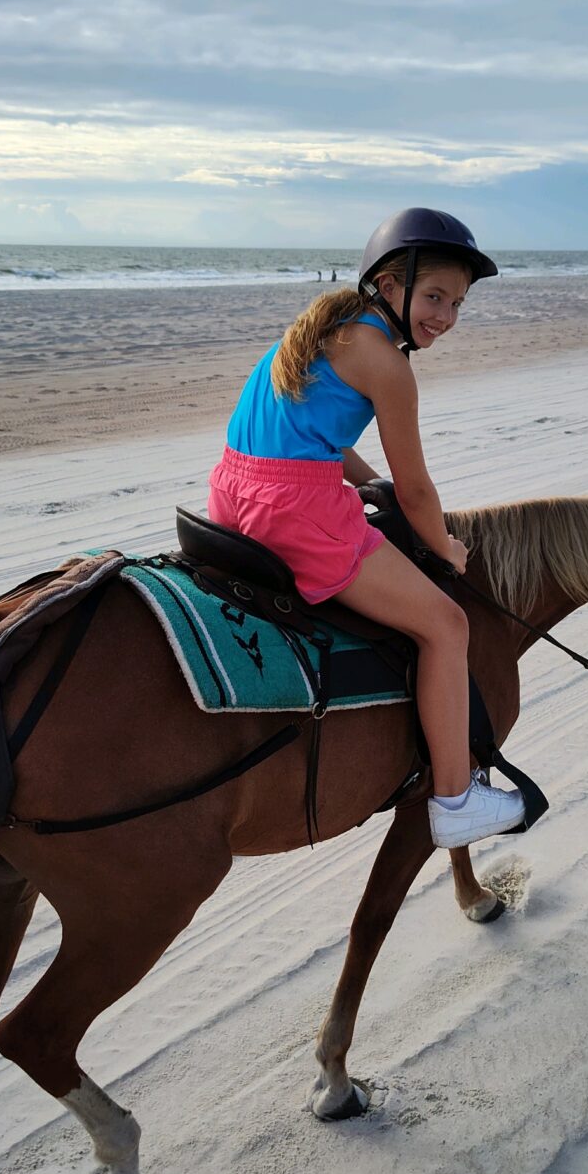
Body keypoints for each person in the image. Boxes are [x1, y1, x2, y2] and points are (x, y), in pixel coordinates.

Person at [208, 208, 526, 848]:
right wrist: (445, 545)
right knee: (447, 624)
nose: (445, 316)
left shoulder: (320, 330)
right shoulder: (387, 362)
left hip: (232, 493)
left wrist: (360, 480)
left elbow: (312, 435)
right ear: (388, 284)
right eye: (434, 296)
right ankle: (456, 800)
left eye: (458, 303)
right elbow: (416, 490)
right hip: (297, 515)